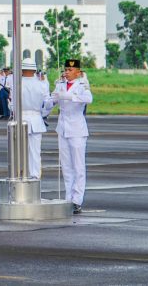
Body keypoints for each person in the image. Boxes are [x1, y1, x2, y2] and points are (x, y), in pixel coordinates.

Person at [44, 59, 93, 215]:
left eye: (70, 70)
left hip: (77, 129)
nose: (66, 72)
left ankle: (77, 200)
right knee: (66, 166)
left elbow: (88, 99)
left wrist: (70, 97)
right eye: (65, 69)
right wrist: (50, 101)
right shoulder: (60, 84)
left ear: (78, 72)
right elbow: (50, 102)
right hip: (63, 129)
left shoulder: (82, 85)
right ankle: (68, 198)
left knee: (78, 166)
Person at [10, 59, 51, 179]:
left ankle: (21, 175)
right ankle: (35, 176)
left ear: (22, 70)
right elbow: (47, 105)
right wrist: (41, 114)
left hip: (21, 118)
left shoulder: (16, 84)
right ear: (34, 70)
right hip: (37, 119)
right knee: (35, 152)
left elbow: (13, 106)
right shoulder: (42, 84)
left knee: (20, 152)